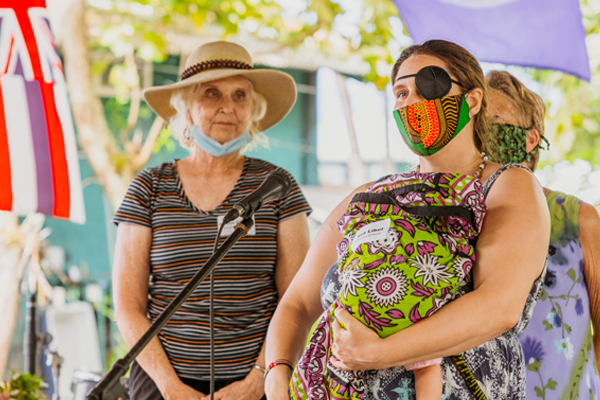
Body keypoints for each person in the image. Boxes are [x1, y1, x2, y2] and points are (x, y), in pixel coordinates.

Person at [264, 39, 550, 400]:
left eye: (429, 84)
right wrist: (276, 378)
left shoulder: (506, 185)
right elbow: (297, 303)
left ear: (473, 101)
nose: (411, 100)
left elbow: (499, 306)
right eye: (400, 92)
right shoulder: (368, 197)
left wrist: (374, 353)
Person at [112, 41, 312, 400]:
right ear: (187, 108)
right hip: (161, 383)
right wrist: (170, 386)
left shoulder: (278, 187)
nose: (228, 107)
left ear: (253, 110)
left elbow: (296, 302)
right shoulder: (149, 187)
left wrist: (256, 380)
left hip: (257, 381)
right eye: (212, 93)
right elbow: (128, 307)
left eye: (240, 96)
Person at [486, 70, 600, 398]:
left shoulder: (578, 219)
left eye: (496, 120)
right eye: (477, 124)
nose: (484, 134)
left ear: (530, 139)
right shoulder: (461, 220)